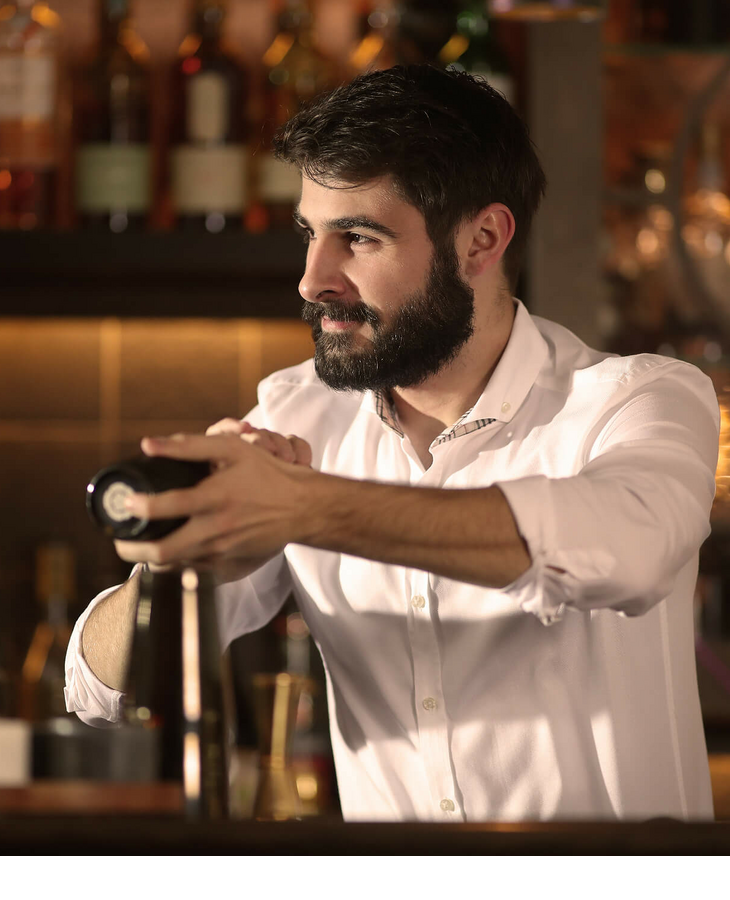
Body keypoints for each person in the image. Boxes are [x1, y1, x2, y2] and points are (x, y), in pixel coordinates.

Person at [65, 64, 719, 823]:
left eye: (358, 237)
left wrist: (304, 507)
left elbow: (624, 552)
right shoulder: (298, 414)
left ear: (481, 239)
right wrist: (182, 567)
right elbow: (104, 690)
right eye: (310, 234)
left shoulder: (639, 399)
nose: (313, 280)